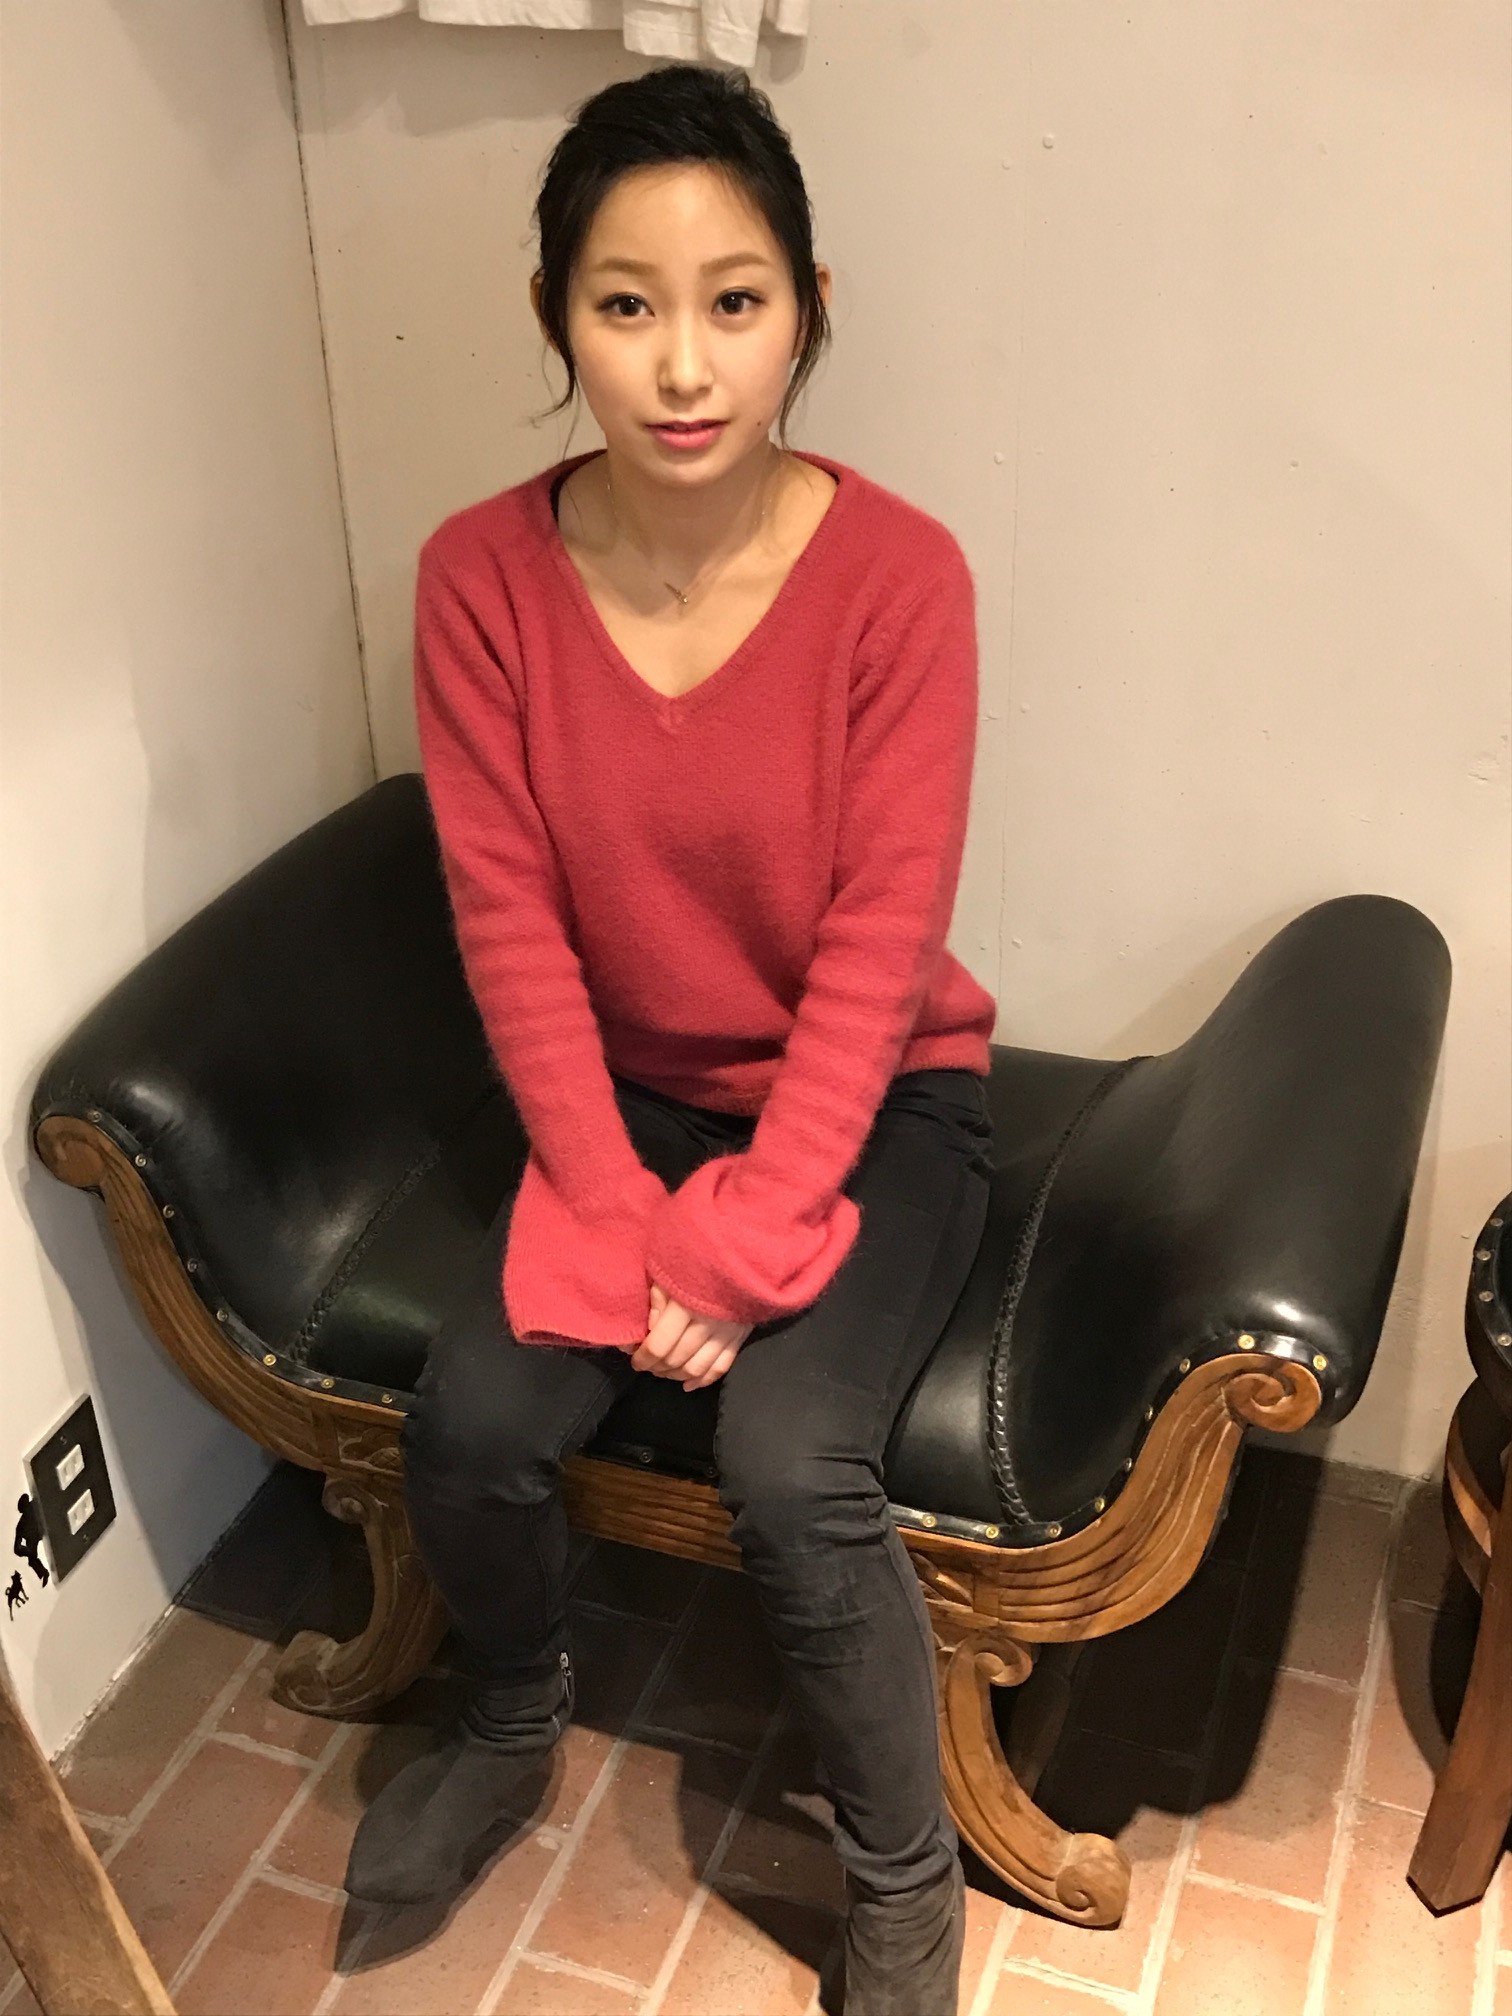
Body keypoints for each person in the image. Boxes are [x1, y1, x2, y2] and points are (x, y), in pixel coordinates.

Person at [343, 62, 998, 2016]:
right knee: (470, 1428)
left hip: (877, 1098)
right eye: (626, 303)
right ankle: (511, 1707)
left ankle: (907, 1888)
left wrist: (744, 1239)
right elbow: (511, 929)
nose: (685, 363)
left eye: (736, 300)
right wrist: (630, 1217)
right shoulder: (479, 578)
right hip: (620, 1100)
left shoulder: (902, 578)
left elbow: (880, 948)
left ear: (809, 310)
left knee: (793, 1463)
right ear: (557, 316)